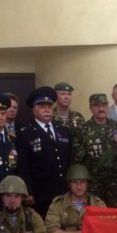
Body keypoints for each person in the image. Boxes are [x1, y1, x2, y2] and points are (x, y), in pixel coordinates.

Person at [17, 86, 71, 218]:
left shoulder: (63, 130)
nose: (47, 110)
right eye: (42, 106)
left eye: (49, 106)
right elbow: (23, 166)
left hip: (63, 191)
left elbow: (69, 160)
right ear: (34, 110)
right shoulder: (26, 133)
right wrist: (28, 191)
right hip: (40, 193)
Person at [72, 94, 117, 207]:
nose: (101, 109)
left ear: (108, 106)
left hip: (115, 184)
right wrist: (79, 185)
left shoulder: (115, 126)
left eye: (104, 105)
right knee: (94, 214)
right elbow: (76, 162)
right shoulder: (83, 130)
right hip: (93, 185)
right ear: (90, 108)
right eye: (97, 106)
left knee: (115, 215)